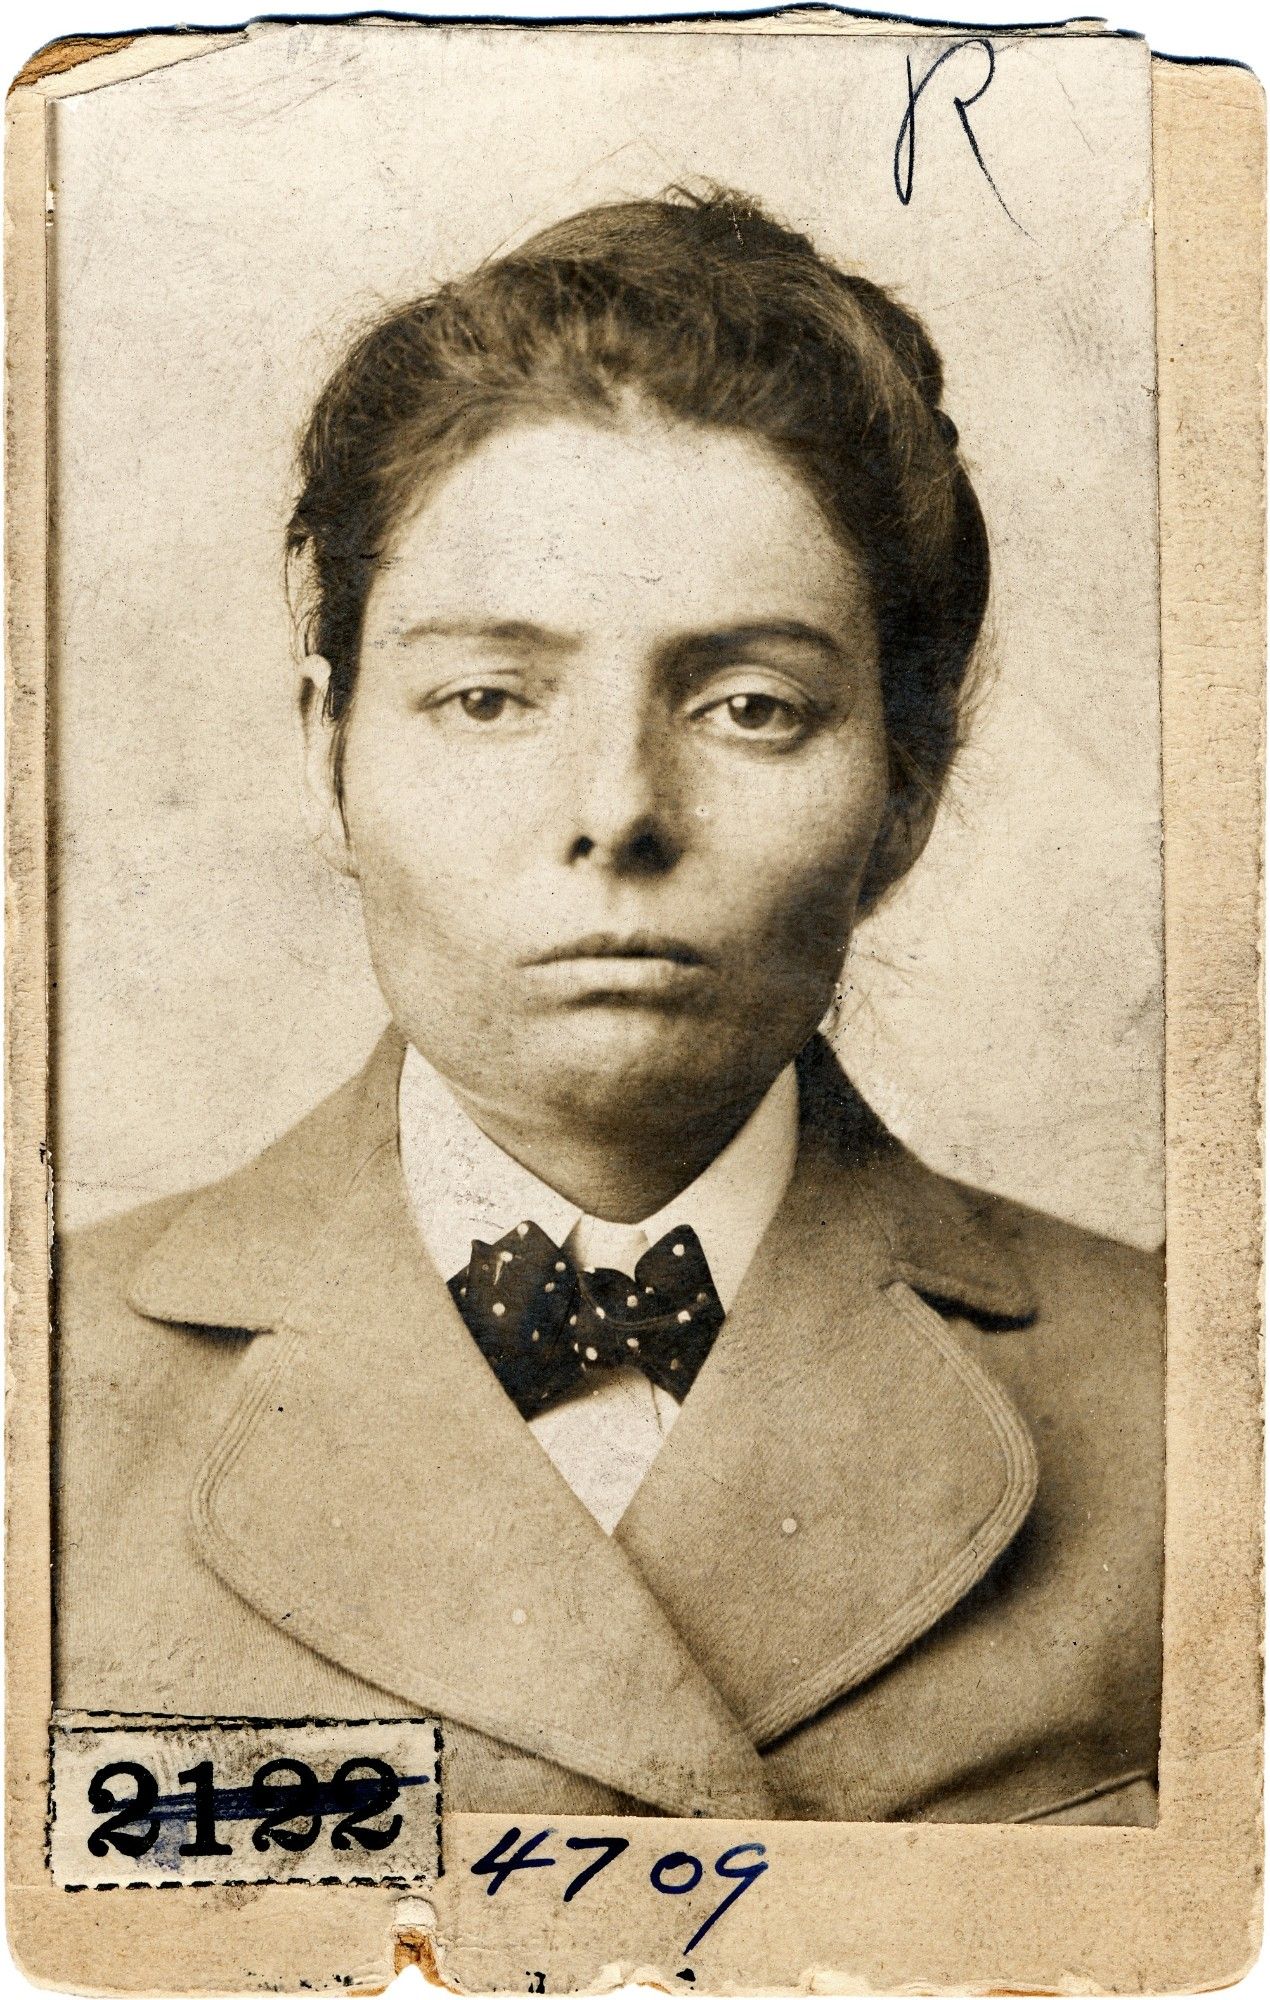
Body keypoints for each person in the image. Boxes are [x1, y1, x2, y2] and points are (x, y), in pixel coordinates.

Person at [55, 188, 1163, 1824]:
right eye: (488, 697)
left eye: (750, 705)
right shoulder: (40, 1396)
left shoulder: (1198, 1411)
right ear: (329, 745)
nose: (617, 809)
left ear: (908, 788)